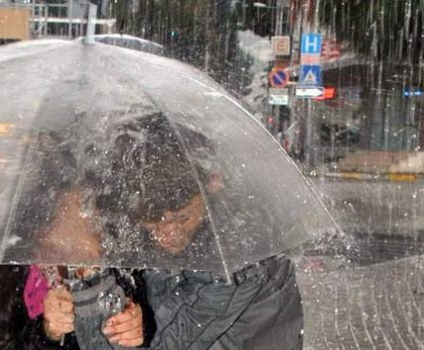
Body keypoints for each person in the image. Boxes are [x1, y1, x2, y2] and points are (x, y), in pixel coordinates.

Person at [93, 113, 304, 349]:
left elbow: (172, 340)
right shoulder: (128, 223)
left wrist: (140, 326)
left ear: (213, 183)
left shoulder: (240, 253)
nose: (169, 234)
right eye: (153, 221)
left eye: (182, 218)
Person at [0, 131, 146, 350]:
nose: (81, 232)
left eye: (90, 213)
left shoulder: (118, 268)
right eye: (70, 214)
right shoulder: (4, 271)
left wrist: (138, 330)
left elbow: (133, 331)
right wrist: (47, 332)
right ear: (40, 226)